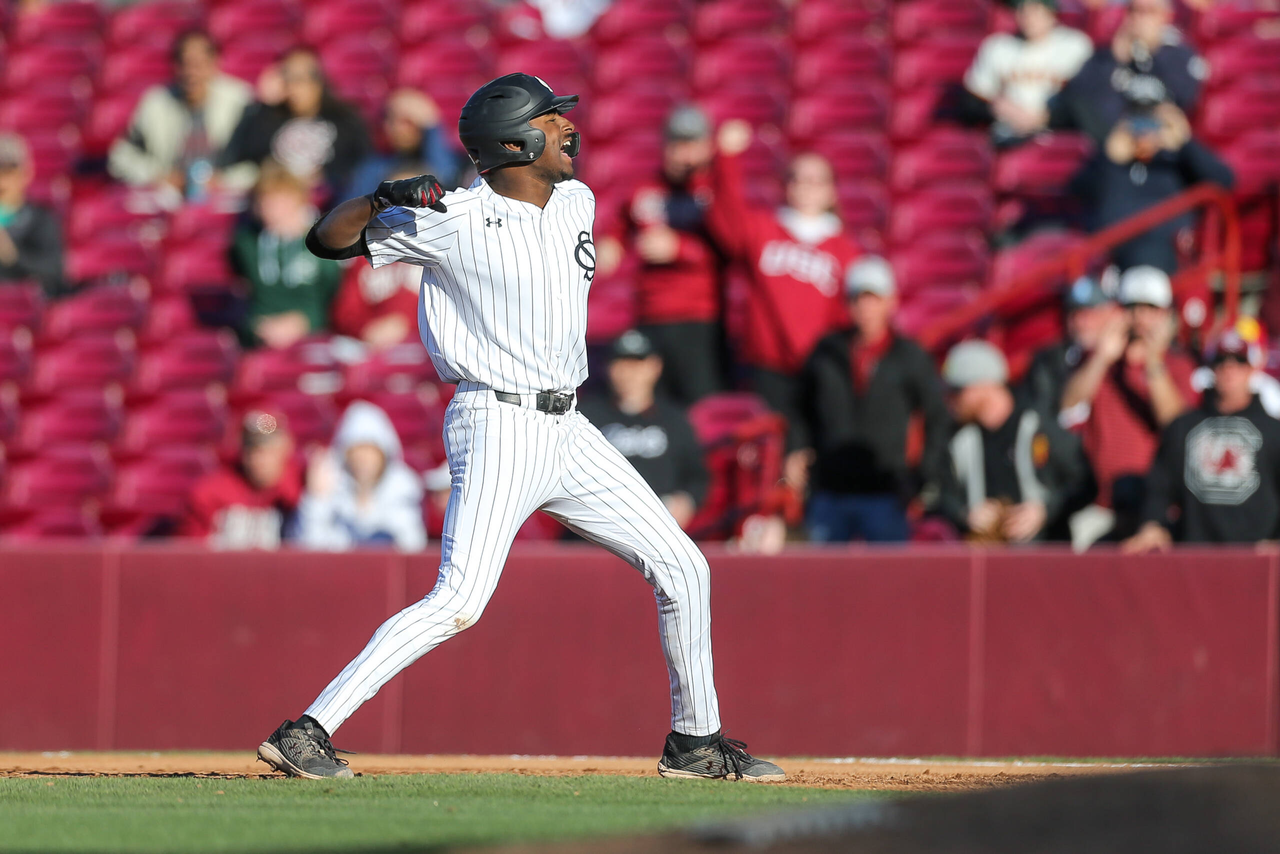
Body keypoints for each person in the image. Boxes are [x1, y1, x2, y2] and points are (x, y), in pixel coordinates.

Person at [256, 73, 783, 783]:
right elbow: (327, 242)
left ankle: (695, 744)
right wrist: (381, 197)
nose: (569, 128)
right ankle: (307, 730)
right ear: (514, 141)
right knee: (461, 600)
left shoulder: (578, 200)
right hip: (496, 419)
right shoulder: (454, 219)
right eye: (552, 120)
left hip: (568, 423)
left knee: (686, 568)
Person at [705, 119, 858, 451]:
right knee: (771, 451)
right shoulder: (765, 229)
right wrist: (727, 158)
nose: (806, 187)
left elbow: (849, 316)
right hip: (767, 367)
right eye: (798, 178)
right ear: (785, 185)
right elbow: (726, 220)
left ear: (832, 191)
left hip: (820, 370)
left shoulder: (845, 250)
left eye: (816, 181)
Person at [791, 257, 951, 543]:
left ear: (890, 301)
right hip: (830, 490)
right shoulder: (826, 352)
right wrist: (797, 449)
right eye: (858, 299)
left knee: (887, 582)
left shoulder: (909, 357)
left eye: (873, 299)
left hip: (885, 493)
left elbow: (937, 417)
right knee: (824, 580)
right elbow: (801, 407)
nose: (865, 308)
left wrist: (921, 477)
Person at [596, 105, 727, 406]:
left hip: (697, 318)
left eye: (691, 145)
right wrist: (612, 244)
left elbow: (732, 246)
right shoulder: (646, 189)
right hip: (650, 314)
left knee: (700, 403)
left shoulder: (713, 191)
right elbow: (620, 224)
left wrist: (680, 249)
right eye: (677, 144)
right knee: (652, 404)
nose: (684, 154)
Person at [1060, 265, 1198, 543]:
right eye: (1133, 308)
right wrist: (1101, 357)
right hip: (1104, 504)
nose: (1140, 318)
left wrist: (1154, 362)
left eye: (1150, 309)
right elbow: (1068, 407)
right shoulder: (1101, 363)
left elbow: (1177, 427)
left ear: (1165, 315)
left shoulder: (1179, 366)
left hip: (1160, 509)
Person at [1124, 327, 1280, 551]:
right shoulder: (1184, 427)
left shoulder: (1273, 430)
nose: (1229, 369)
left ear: (1252, 368)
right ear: (1210, 366)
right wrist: (1153, 525)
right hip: (1195, 555)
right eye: (1221, 361)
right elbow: (1159, 486)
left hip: (1256, 557)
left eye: (1238, 361)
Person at [935, 340, 1089, 543]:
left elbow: (1083, 482)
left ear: (984, 386)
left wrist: (1044, 511)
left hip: (1043, 554)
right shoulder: (959, 440)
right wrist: (965, 514)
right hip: (986, 560)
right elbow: (943, 495)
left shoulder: (1037, 426)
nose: (950, 400)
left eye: (958, 391)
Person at [1070, 94, 1233, 274]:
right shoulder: (1111, 162)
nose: (1145, 133)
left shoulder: (1179, 160)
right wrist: (1108, 159)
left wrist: (1185, 143)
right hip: (1113, 261)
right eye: (1138, 123)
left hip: (1170, 262)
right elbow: (1076, 192)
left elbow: (1225, 182)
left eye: (1153, 123)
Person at [577, 329, 709, 531]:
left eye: (637, 364)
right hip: (597, 527)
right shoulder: (586, 417)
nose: (629, 373)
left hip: (661, 527)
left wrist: (686, 500)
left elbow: (697, 475)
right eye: (621, 364)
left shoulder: (674, 420)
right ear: (609, 368)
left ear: (655, 367)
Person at [107, 29, 252, 201]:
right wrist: (159, 176)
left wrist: (224, 181)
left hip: (227, 200)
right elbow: (121, 157)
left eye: (199, 64)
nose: (191, 72)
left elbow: (258, 163)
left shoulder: (240, 101)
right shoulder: (156, 102)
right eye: (185, 64)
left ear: (215, 64)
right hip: (169, 198)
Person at [219, 47, 371, 197]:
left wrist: (326, 175)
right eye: (287, 79)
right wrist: (263, 104)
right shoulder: (269, 117)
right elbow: (238, 155)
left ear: (317, 83)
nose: (292, 88)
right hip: (278, 200)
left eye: (299, 80)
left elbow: (361, 164)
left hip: (327, 202)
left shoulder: (344, 120)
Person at [1050, 0, 1208, 143]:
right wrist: (1115, 59)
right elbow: (1078, 95)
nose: (1139, 18)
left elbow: (1184, 98)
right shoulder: (1106, 55)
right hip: (1112, 142)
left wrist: (1152, 52)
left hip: (1160, 142)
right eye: (1134, 10)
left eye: (1149, 11)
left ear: (1166, 16)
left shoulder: (1179, 55)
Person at [231, 159, 342, 349]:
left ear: (298, 200)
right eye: (265, 200)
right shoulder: (246, 244)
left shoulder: (323, 245)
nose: (271, 208)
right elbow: (244, 296)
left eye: (280, 200)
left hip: (313, 340)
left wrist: (304, 323)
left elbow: (333, 299)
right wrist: (258, 326)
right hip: (260, 337)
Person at [296, 401, 426, 552]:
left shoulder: (403, 486)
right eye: (357, 451)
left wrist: (366, 508)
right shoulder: (329, 484)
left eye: (371, 450)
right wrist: (316, 501)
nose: (364, 458)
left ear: (384, 453)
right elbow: (309, 547)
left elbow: (411, 544)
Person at [960, 0, 1093, 145]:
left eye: (1035, 10)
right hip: (1009, 136)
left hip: (1059, 134)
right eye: (1022, 10)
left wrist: (1047, 117)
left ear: (1052, 13)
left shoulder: (1076, 45)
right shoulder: (998, 46)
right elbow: (972, 103)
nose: (1028, 17)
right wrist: (997, 107)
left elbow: (1089, 100)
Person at [182, 411, 303, 549]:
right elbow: (192, 554)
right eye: (253, 450)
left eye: (269, 450)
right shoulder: (211, 491)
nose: (261, 460)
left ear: (286, 448)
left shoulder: (300, 489)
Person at [1019, 274, 1120, 420]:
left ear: (1109, 313)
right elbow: (1051, 409)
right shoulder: (1049, 361)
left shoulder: (1128, 353)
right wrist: (1100, 358)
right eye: (1073, 314)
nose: (1080, 323)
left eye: (1089, 314)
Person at [343, 89, 463, 201]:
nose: (392, 127)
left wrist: (432, 128)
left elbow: (446, 179)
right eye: (388, 118)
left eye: (406, 121)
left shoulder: (451, 161)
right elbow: (347, 210)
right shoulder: (372, 168)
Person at [0, 133, 62, 296]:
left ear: (25, 173)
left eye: (7, 171)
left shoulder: (41, 220)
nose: (1, 180)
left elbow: (54, 273)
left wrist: (14, 256)